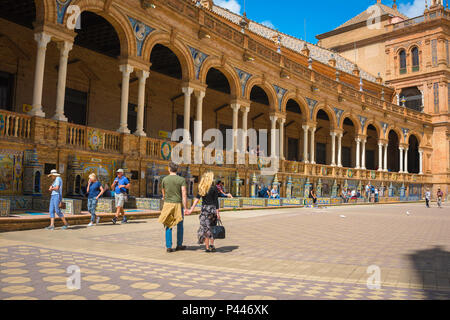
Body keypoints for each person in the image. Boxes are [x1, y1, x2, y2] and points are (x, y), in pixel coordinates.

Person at [186, 172, 220, 253]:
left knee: (205, 229)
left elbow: (197, 199)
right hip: (212, 210)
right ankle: (212, 245)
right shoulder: (214, 188)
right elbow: (216, 202)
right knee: (212, 228)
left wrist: (191, 209)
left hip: (204, 211)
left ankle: (207, 248)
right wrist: (218, 213)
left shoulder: (202, 188)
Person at [159, 162, 188, 253]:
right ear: (177, 169)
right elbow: (184, 193)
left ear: (169, 169)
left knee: (168, 225)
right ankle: (179, 245)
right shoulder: (181, 179)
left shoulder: (164, 179)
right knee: (180, 225)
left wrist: (165, 198)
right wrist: (186, 207)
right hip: (178, 204)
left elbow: (163, 193)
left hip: (167, 204)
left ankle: (168, 246)